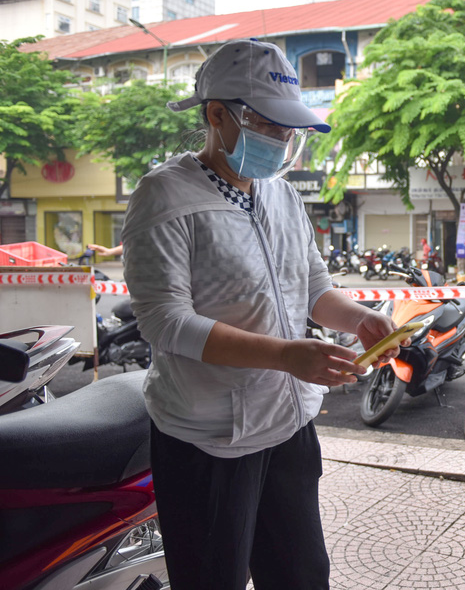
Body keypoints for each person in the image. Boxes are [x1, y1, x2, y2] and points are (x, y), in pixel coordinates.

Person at [121, 39, 401, 590]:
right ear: (216, 115)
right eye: (269, 125)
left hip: (287, 424)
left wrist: (358, 318)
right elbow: (164, 321)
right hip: (207, 438)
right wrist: (284, 355)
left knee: (301, 576)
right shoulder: (164, 196)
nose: (283, 140)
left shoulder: (281, 196)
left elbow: (312, 286)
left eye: (289, 129)